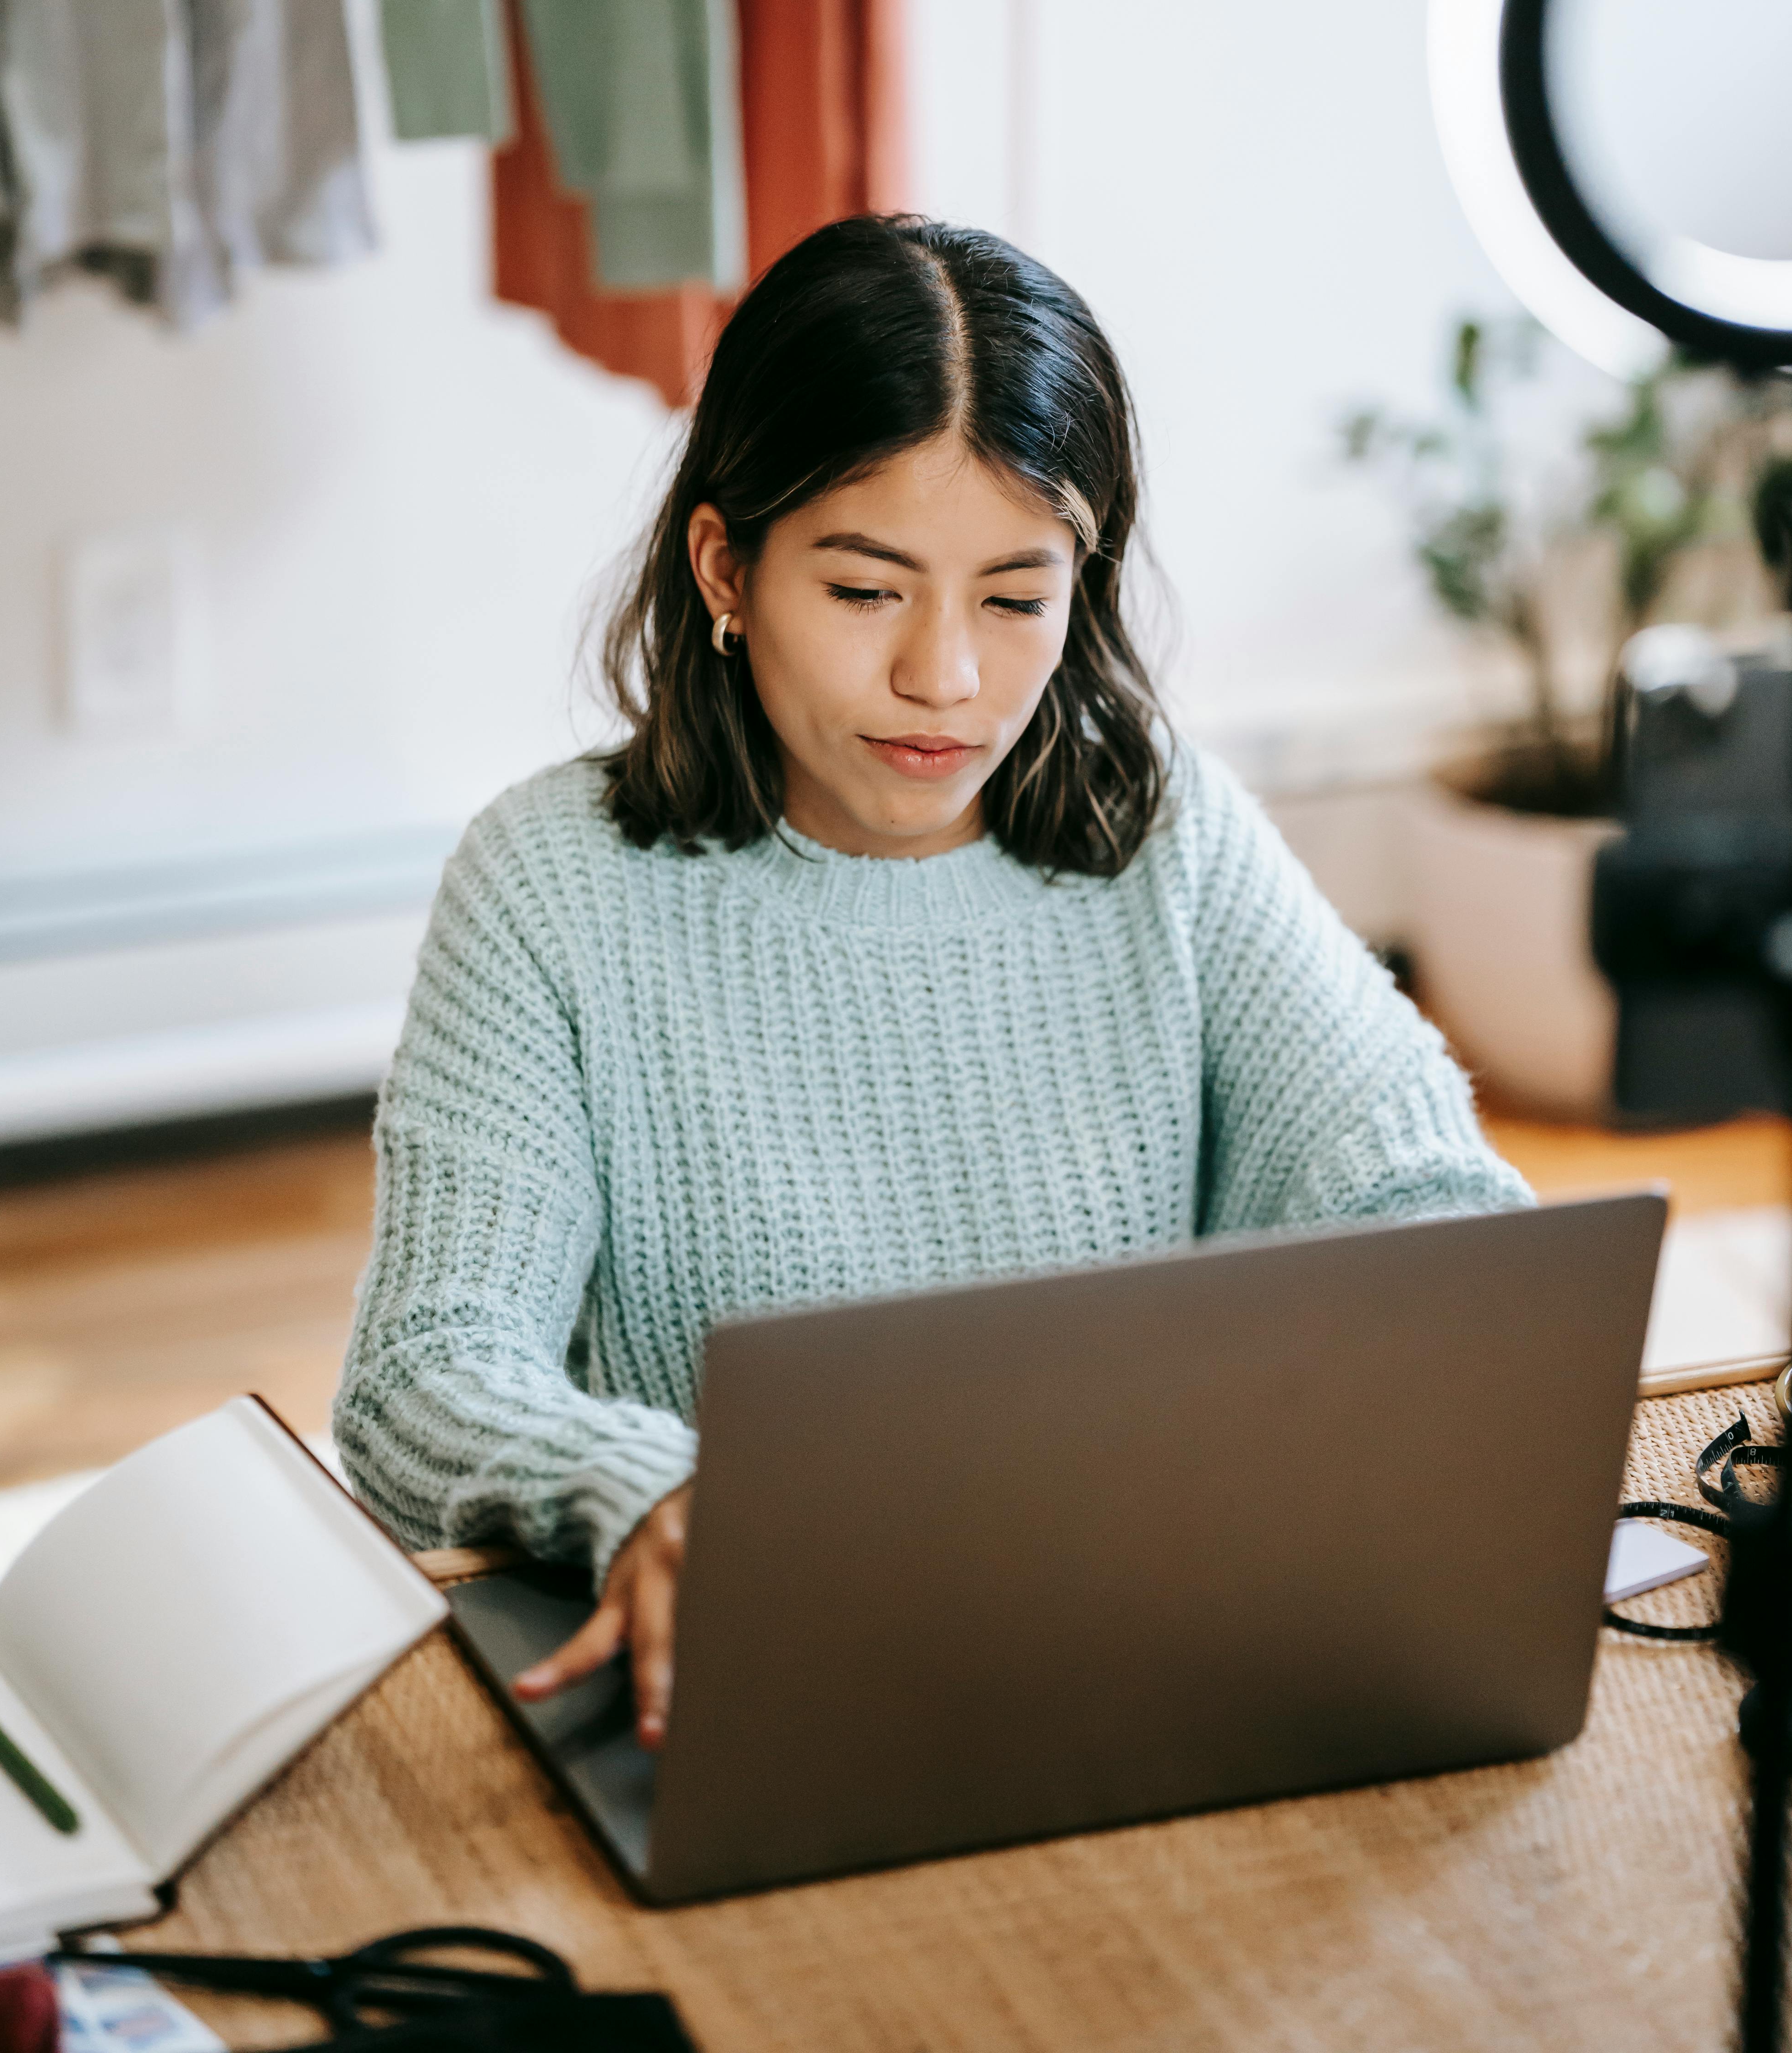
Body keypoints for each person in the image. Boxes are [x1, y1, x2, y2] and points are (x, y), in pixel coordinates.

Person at [334, 215, 1529, 1744]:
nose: (945, 681)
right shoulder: (550, 886)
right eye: (864, 591)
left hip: (1153, 1655)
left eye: (1017, 599)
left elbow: (1441, 1217)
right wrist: (639, 1489)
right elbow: (423, 1374)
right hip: (749, 1692)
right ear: (726, 567)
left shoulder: (1163, 831)